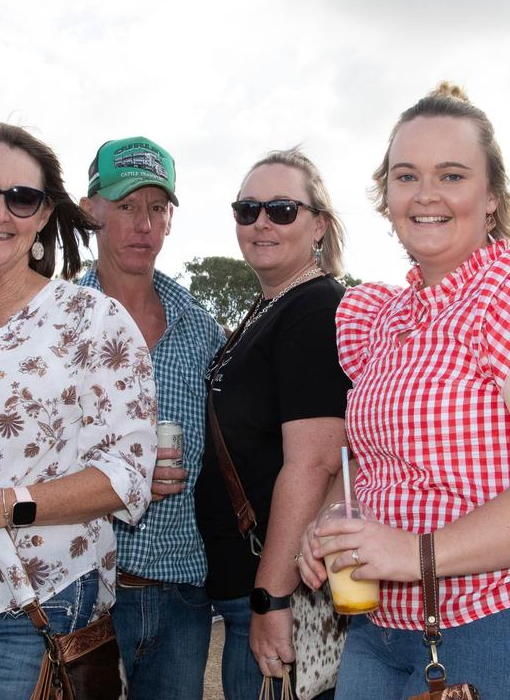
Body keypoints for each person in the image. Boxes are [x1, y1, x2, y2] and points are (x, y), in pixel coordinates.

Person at [297, 83, 510, 700]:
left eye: (451, 175)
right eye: (406, 176)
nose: (426, 194)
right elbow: (371, 463)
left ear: (491, 198)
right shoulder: (382, 316)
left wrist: (416, 554)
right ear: (387, 196)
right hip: (385, 630)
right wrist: (328, 522)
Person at [0, 121, 156, 699]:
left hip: (36, 603)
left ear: (42, 216)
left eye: (22, 198)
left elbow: (127, 477)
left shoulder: (93, 320)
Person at [195, 147, 352, 700]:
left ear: (319, 227)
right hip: (246, 580)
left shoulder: (315, 310)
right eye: (247, 210)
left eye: (282, 209)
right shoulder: (269, 309)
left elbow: (315, 462)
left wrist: (271, 597)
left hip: (276, 585)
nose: (261, 222)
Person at [77, 136, 225, 699]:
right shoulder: (57, 323)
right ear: (91, 208)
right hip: (85, 589)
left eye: (156, 208)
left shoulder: (200, 327)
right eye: (124, 205)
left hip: (182, 592)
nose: (142, 224)